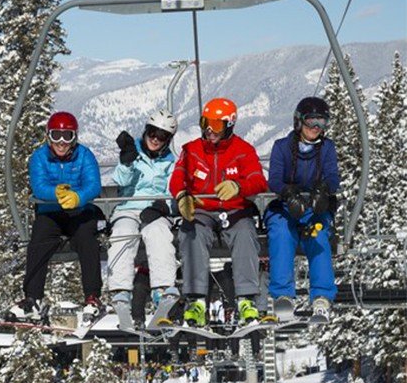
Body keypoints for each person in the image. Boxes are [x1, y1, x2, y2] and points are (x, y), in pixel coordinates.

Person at [169, 97, 268, 327]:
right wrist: (182, 195)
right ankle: (196, 300)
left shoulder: (242, 150)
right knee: (190, 232)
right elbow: (178, 177)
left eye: (217, 125)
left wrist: (238, 187)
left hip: (234, 211)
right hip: (203, 211)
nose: (210, 130)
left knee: (245, 234)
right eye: (206, 123)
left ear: (229, 125)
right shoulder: (192, 150)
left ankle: (246, 298)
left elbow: (258, 180)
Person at [7, 111, 104, 325]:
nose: (61, 142)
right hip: (50, 211)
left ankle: (92, 296)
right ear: (48, 136)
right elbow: (39, 185)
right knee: (39, 241)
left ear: (74, 137)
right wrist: (57, 194)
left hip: (79, 211)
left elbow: (93, 185)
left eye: (67, 136)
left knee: (87, 239)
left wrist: (78, 197)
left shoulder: (84, 156)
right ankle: (33, 298)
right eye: (56, 135)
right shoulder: (39, 157)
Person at [266, 96, 339, 319]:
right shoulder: (282, 147)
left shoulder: (326, 148)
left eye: (321, 123)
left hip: (314, 208)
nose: (316, 128)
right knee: (281, 234)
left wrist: (324, 190)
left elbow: (333, 176)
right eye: (311, 122)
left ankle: (322, 295)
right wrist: (288, 193)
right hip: (285, 208)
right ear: (299, 122)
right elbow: (275, 179)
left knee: (317, 237)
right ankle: (283, 295)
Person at [110, 110, 180, 321]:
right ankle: (120, 291)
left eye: (162, 136)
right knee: (123, 232)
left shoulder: (170, 161)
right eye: (152, 133)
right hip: (128, 206)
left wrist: (163, 206)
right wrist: (126, 162)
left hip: (153, 210)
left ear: (168, 140)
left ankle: (162, 288)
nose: (155, 139)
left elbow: (171, 190)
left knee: (158, 233)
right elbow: (120, 181)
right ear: (146, 131)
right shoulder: (134, 152)